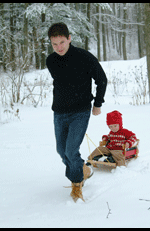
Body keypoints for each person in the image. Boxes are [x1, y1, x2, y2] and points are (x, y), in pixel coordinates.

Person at [46, 22, 107, 202]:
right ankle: (82, 169)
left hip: (80, 111)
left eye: (62, 42)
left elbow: (101, 80)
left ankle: (77, 184)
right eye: (54, 44)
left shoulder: (84, 57)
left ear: (69, 38)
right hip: (59, 112)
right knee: (61, 150)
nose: (59, 47)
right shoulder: (51, 61)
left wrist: (97, 103)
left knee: (71, 150)